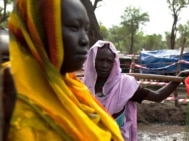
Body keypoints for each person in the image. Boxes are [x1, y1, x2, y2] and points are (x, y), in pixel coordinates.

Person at [3, 0, 124, 140]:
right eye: (74, 27)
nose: (85, 40)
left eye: (86, 29)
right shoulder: (11, 95)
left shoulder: (74, 89)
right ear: (38, 30)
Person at [83, 40, 189, 141]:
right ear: (92, 61)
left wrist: (177, 79)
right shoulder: (80, 87)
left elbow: (158, 96)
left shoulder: (125, 85)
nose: (104, 65)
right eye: (100, 60)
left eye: (109, 61)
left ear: (114, 63)